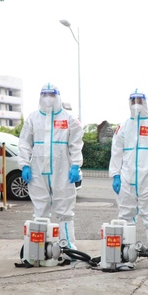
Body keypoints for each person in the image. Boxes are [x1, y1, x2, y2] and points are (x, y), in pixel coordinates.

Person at [18, 83, 84, 250]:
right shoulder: (33, 118)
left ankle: (68, 246)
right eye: (45, 94)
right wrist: (25, 165)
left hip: (63, 170)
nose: (48, 98)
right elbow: (24, 142)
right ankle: (39, 248)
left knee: (65, 210)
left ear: (58, 96)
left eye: (52, 95)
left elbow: (76, 144)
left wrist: (76, 165)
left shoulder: (69, 119)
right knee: (40, 210)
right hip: (38, 170)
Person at [109, 90, 148, 259]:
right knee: (125, 214)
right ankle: (126, 248)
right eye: (133, 100)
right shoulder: (123, 126)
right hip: (127, 178)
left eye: (139, 100)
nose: (136, 104)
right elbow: (116, 151)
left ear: (145, 102)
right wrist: (115, 175)